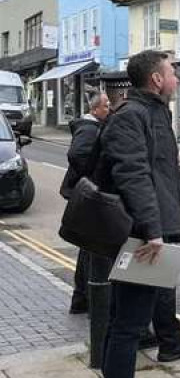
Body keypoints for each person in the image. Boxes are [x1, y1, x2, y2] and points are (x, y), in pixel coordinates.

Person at [97, 50, 180, 378]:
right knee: (129, 324)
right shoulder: (132, 116)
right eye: (172, 72)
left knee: (125, 320)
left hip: (149, 229)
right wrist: (153, 230)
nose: (176, 77)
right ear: (156, 80)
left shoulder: (153, 111)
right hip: (140, 236)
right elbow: (134, 175)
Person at [61, 91, 110, 314]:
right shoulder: (89, 129)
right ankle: (90, 300)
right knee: (94, 252)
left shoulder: (93, 127)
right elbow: (76, 154)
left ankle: (81, 298)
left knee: (88, 251)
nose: (109, 110)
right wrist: (92, 180)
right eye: (106, 106)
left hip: (83, 195)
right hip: (87, 197)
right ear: (95, 110)